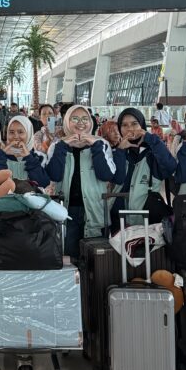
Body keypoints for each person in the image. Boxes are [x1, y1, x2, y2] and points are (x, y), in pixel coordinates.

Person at [46, 105, 119, 258]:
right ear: (67, 122)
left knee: (96, 259)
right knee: (69, 257)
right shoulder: (57, 146)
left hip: (94, 209)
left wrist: (95, 146)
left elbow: (106, 175)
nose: (81, 123)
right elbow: (54, 175)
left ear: (91, 122)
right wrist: (62, 146)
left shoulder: (101, 144)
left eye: (85, 119)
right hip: (66, 211)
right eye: (75, 118)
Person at [111, 107, 177, 228]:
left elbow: (170, 167)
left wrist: (150, 138)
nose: (130, 128)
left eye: (134, 124)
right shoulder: (116, 152)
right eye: (124, 125)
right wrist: (120, 150)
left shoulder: (152, 153)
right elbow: (115, 179)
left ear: (141, 125)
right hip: (118, 220)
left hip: (147, 222)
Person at [0, 114, 50, 187]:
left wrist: (29, 158)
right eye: (11, 132)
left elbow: (43, 183)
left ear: (29, 134)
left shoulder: (39, 157)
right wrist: (2, 156)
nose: (15, 136)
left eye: (20, 132)